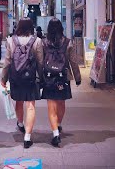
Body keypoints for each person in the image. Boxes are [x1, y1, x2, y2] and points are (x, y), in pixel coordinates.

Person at [1, 17, 43, 149]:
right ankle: (27, 137)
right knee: (30, 106)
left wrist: (3, 79)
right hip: (31, 79)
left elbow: (7, 62)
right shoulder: (37, 41)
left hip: (16, 77)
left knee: (19, 101)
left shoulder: (10, 40)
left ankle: (20, 123)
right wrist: (41, 78)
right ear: (32, 27)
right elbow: (40, 62)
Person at [41, 18, 81, 147]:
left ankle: (55, 134)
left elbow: (40, 62)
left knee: (51, 106)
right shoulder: (68, 42)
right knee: (61, 103)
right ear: (61, 28)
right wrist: (78, 77)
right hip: (62, 77)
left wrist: (38, 77)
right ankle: (58, 125)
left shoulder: (43, 43)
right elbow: (73, 61)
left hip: (48, 77)